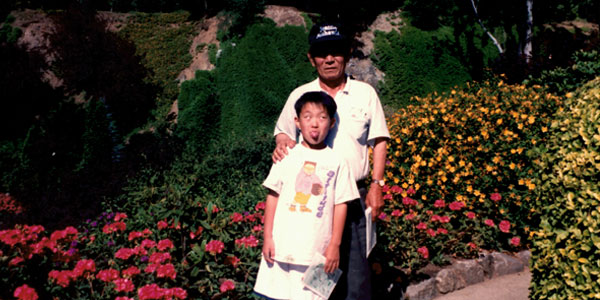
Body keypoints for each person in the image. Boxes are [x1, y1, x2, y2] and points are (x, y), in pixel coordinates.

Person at [271, 22, 390, 300]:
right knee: (314, 278)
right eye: (322, 53)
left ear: (347, 54)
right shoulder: (300, 96)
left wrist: (377, 184)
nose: (329, 59)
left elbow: (379, 140)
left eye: (335, 52)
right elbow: (283, 132)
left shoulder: (365, 94)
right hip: (310, 202)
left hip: (354, 198)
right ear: (312, 59)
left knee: (356, 276)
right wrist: (281, 143)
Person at [254, 91, 360, 300]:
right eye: (307, 117)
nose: (314, 124)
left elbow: (341, 205)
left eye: (322, 117)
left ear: (331, 124)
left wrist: (334, 246)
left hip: (317, 254)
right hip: (281, 250)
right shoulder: (285, 156)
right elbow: (272, 197)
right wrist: (267, 237)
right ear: (297, 121)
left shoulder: (338, 161)